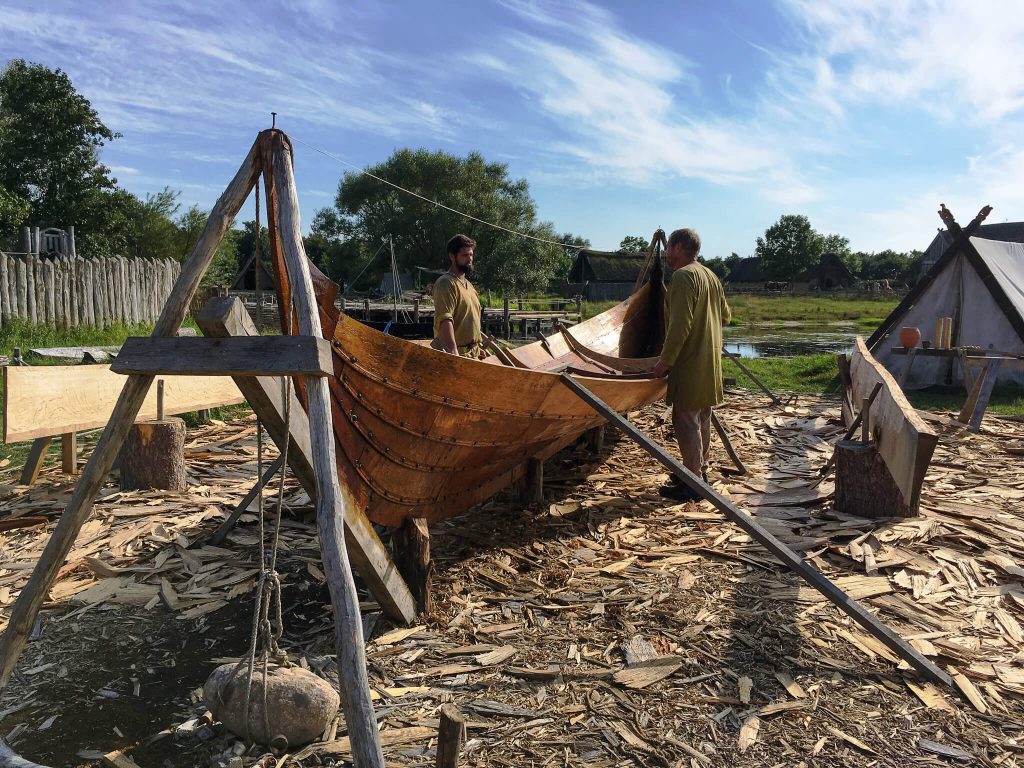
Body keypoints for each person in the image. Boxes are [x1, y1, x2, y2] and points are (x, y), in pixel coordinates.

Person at [651, 228, 731, 501]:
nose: (666, 253)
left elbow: (679, 326)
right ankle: (698, 471)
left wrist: (665, 361)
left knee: (685, 421)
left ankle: (693, 483)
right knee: (702, 418)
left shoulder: (684, 277)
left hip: (690, 362)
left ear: (680, 246)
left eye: (669, 248)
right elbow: (726, 316)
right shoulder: (710, 276)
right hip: (710, 361)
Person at [432, 234, 483, 357]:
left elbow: (472, 320)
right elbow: (445, 320)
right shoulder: (446, 283)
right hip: (455, 355)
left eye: (471, 254)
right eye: (465, 255)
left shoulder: (470, 286)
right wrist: (453, 353)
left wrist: (477, 348)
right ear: (452, 256)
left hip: (472, 354)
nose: (469, 258)